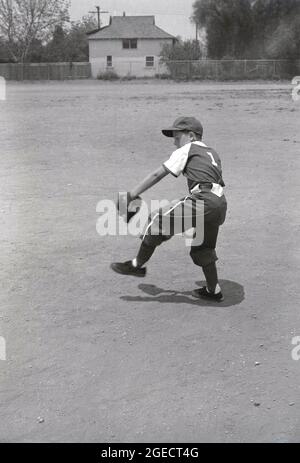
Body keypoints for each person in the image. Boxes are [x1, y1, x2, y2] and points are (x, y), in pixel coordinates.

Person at [110, 117, 227, 301]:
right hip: (219, 203)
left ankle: (137, 265)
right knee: (202, 248)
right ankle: (213, 290)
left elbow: (158, 174)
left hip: (203, 199)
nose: (174, 141)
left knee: (156, 220)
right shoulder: (212, 152)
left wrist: (132, 195)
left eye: (176, 136)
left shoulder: (188, 148)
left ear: (190, 135)